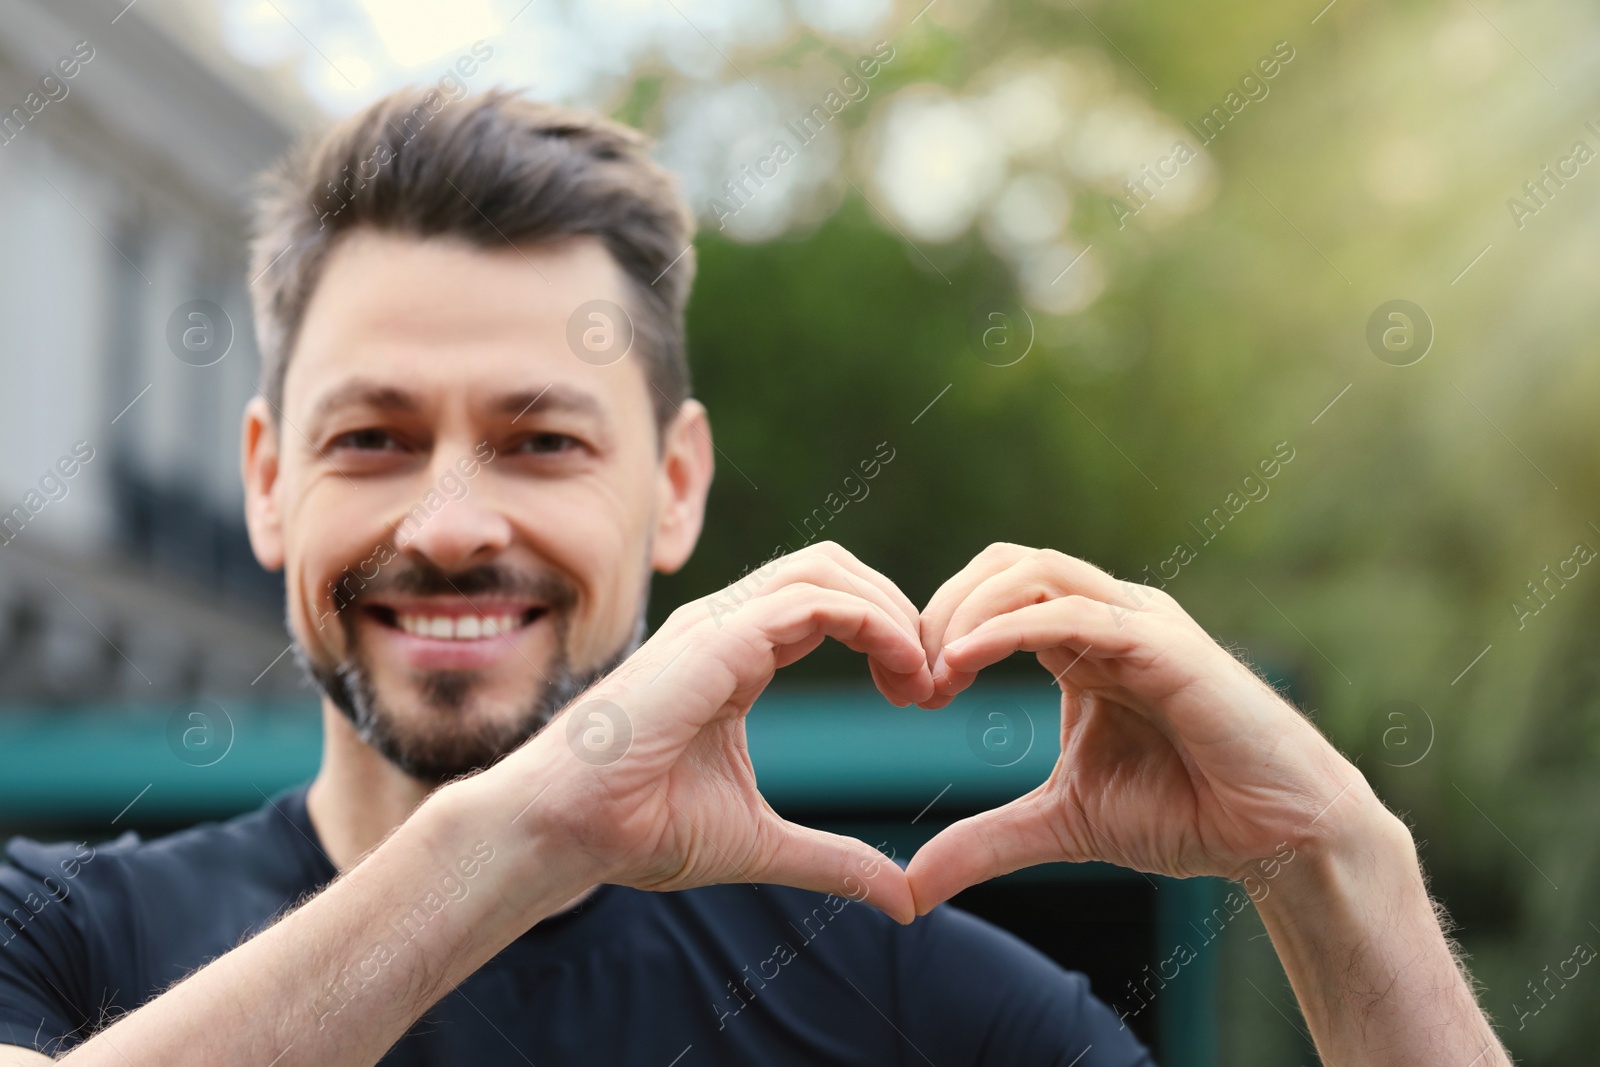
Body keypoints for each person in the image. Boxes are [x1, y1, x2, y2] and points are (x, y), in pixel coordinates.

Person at [0, 88, 1506, 1067]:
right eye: (375, 437)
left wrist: (1336, 864)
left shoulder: (933, 1015)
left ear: (674, 486)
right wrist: (525, 835)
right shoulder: (52, 936)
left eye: (539, 442)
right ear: (268, 480)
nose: (452, 522)